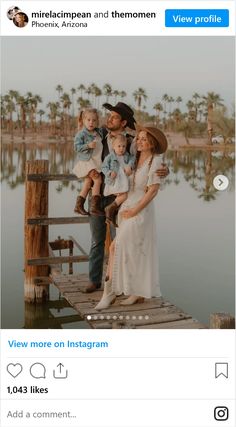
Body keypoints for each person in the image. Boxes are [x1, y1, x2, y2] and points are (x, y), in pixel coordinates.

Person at [84, 102, 169, 293]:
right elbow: (83, 153)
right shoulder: (97, 135)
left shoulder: (131, 141)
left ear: (123, 122)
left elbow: (146, 161)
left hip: (122, 196)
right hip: (99, 195)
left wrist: (165, 169)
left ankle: (118, 283)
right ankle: (94, 279)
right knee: (97, 239)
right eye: (109, 115)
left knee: (121, 241)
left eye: (114, 117)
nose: (109, 119)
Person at [73, 108, 104, 216]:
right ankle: (94, 207)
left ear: (97, 121)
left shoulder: (98, 132)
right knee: (98, 179)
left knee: (87, 183)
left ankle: (78, 206)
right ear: (84, 120)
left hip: (95, 162)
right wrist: (88, 145)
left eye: (94, 120)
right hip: (87, 161)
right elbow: (76, 147)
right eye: (89, 120)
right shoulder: (81, 134)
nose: (91, 122)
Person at [102, 134, 135, 227]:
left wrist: (130, 166)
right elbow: (103, 167)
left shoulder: (127, 156)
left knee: (123, 198)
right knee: (124, 196)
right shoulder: (110, 157)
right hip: (115, 180)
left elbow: (133, 159)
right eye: (119, 146)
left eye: (124, 146)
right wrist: (109, 173)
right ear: (113, 147)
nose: (121, 148)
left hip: (123, 180)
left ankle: (110, 214)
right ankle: (110, 209)